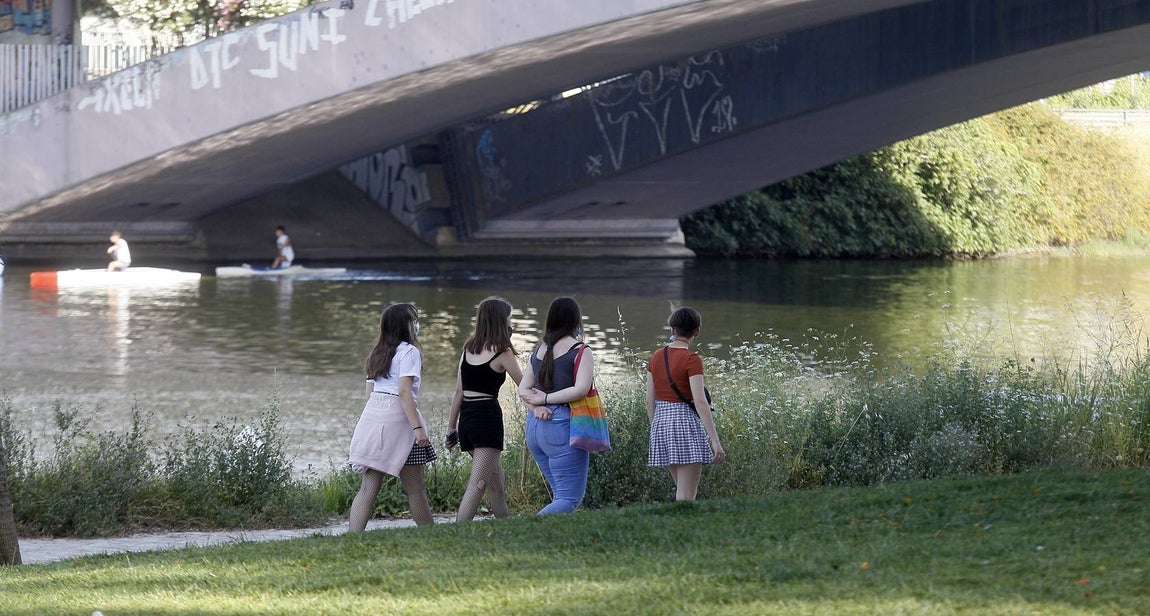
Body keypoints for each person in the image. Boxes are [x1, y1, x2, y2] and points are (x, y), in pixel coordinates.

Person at [347, 302, 436, 530]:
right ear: (405, 325)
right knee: (415, 489)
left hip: (373, 420)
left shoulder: (377, 353)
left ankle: (353, 537)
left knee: (368, 488)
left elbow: (369, 393)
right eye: (414, 320)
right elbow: (404, 392)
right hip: (401, 424)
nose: (417, 325)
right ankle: (429, 533)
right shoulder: (409, 352)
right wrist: (418, 429)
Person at [445, 297, 523, 521]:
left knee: (496, 484)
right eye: (509, 319)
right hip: (487, 420)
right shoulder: (502, 352)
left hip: (467, 420)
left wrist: (451, 428)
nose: (511, 323)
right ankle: (459, 531)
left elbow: (459, 392)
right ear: (501, 321)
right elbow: (525, 385)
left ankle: (506, 527)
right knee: (478, 485)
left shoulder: (468, 349)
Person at [518, 297, 594, 515]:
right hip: (561, 424)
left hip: (535, 426)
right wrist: (544, 400)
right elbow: (581, 389)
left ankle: (550, 532)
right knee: (569, 498)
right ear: (576, 320)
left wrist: (536, 408)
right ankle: (528, 529)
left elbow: (523, 389)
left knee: (559, 494)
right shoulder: (580, 350)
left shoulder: (539, 349)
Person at [646, 306, 725, 501]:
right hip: (684, 424)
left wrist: (655, 428)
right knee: (686, 496)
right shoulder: (691, 359)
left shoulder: (656, 356)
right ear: (697, 331)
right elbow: (700, 402)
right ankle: (683, 520)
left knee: (681, 490)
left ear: (672, 330)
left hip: (661, 423)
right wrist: (715, 441)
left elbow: (649, 400)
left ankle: (679, 518)